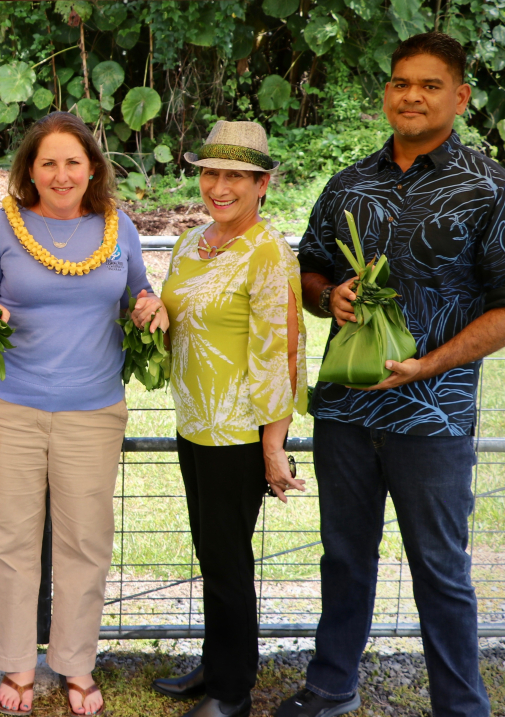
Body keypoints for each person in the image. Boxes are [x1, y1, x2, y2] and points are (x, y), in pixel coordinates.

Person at [275, 32, 505, 717]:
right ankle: (330, 686)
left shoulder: (492, 189)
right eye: (401, 83)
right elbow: (309, 269)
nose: (412, 96)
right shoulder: (348, 183)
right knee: (343, 556)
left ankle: (460, 706)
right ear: (386, 93)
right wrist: (327, 295)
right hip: (345, 408)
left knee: (440, 569)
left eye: (429, 85)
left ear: (460, 96)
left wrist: (430, 363)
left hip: (434, 415)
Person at [0, 111, 161, 717]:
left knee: (85, 542)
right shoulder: (2, 226)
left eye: (73, 162)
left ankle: (76, 664)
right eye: (47, 162)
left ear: (92, 168)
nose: (61, 174)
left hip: (93, 411)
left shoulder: (117, 227)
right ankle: (17, 664)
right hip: (7, 407)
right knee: (10, 542)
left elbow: (139, 296)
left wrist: (150, 307)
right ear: (29, 170)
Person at [148, 121, 306, 717]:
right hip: (194, 423)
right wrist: (150, 311)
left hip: (237, 433)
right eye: (211, 173)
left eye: (236, 176)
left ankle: (233, 692)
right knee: (211, 553)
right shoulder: (191, 243)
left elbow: (280, 354)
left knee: (228, 560)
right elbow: (181, 318)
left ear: (262, 184)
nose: (220, 186)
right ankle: (216, 666)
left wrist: (273, 446)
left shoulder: (269, 253)